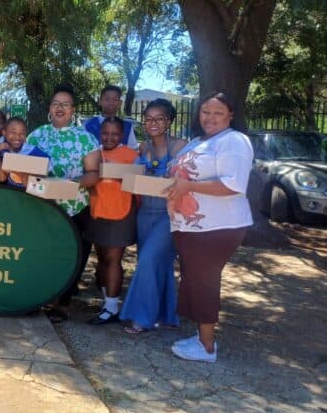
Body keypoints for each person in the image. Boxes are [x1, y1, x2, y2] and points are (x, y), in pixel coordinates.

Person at [166, 92, 254, 363]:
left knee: (204, 281)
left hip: (217, 227)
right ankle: (200, 336)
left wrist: (189, 186)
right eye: (206, 111)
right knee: (194, 279)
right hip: (192, 226)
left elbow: (233, 184)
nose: (210, 117)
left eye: (218, 112)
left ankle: (206, 346)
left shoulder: (234, 141)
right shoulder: (197, 141)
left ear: (231, 115)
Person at [27, 84, 99, 310]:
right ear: (50, 107)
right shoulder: (36, 136)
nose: (60, 108)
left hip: (75, 207)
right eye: (56, 104)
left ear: (73, 109)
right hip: (43, 206)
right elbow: (24, 169)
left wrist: (71, 185)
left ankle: (62, 305)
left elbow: (94, 174)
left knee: (71, 255)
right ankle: (40, 298)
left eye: (66, 105)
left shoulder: (86, 139)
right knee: (44, 252)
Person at [120, 99, 186, 334]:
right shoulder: (143, 148)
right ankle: (165, 314)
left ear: (169, 121)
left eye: (159, 118)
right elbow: (134, 177)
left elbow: (187, 179)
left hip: (169, 213)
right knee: (157, 263)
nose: (153, 123)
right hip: (145, 213)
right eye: (148, 119)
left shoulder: (180, 146)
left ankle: (141, 317)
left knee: (148, 260)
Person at [80, 117, 139, 324]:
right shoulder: (93, 153)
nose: (109, 137)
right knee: (103, 259)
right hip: (97, 212)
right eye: (105, 133)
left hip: (120, 213)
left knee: (113, 260)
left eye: (115, 134)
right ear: (100, 133)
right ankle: (107, 301)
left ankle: (112, 307)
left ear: (122, 135)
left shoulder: (132, 156)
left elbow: (138, 183)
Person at [0, 117, 49, 189]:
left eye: (22, 133)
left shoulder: (33, 151)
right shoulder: (2, 150)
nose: (17, 137)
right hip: (10, 192)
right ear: (4, 133)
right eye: (13, 132)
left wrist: (19, 172)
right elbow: (2, 178)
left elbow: (42, 180)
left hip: (28, 193)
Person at [82, 85, 139, 149]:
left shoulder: (127, 127)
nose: (111, 102)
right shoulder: (87, 125)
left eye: (115, 99)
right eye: (107, 99)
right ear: (100, 101)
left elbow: (133, 150)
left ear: (120, 103)